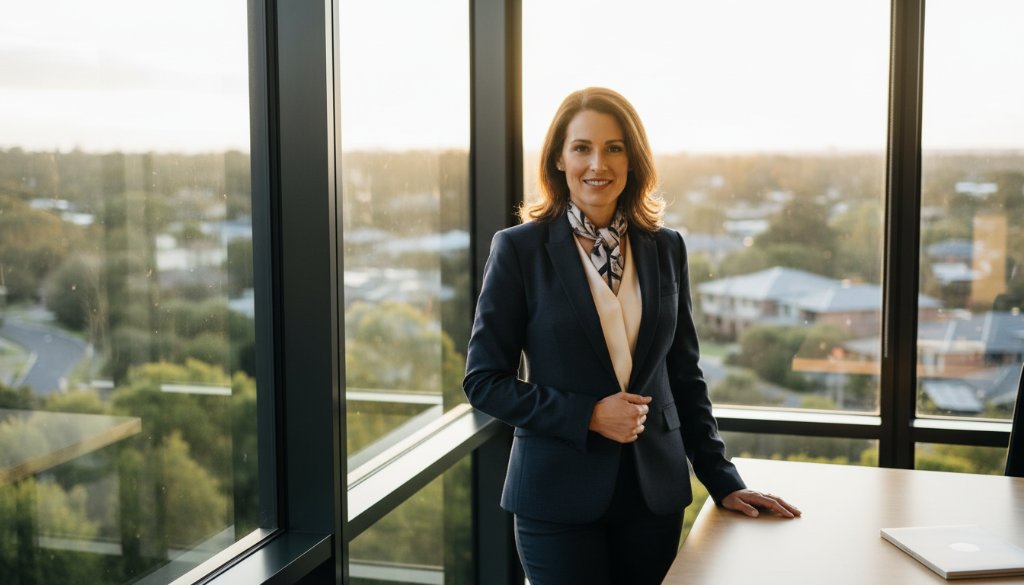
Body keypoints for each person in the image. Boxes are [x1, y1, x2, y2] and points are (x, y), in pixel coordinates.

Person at [463, 87, 800, 585]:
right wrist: (589, 415)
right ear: (559, 157)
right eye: (582, 147)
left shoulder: (665, 247)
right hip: (556, 498)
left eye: (614, 147)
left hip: (653, 496)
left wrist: (722, 480)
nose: (597, 163)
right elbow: (484, 381)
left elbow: (684, 377)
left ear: (632, 158)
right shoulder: (519, 249)